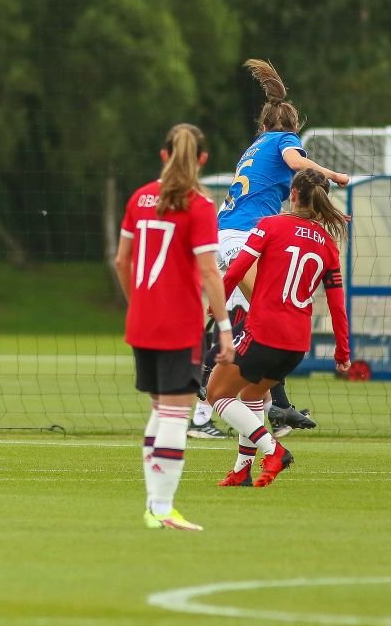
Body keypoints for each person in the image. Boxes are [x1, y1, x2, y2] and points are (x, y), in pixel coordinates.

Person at [193, 59, 350, 439]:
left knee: (251, 320)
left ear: (262, 123)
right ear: (292, 127)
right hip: (242, 237)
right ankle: (221, 392)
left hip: (228, 235)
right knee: (268, 312)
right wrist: (334, 176)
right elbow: (296, 163)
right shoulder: (284, 141)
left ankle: (260, 406)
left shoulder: (254, 146)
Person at [114, 124, 235, 531]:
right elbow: (209, 273)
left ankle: (154, 505)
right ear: (202, 159)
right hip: (179, 324)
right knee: (175, 415)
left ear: (163, 155)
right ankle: (163, 507)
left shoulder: (139, 198)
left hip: (142, 322)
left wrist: (138, 305)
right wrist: (223, 328)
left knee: (160, 410)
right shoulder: (198, 207)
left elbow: (121, 262)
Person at [210, 169, 350, 488]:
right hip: (297, 342)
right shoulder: (328, 245)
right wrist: (343, 353)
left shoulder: (269, 225)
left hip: (265, 330)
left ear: (294, 195)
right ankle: (242, 470)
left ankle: (274, 450)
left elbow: (237, 268)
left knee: (218, 394)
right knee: (252, 395)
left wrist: (214, 304)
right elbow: (337, 306)